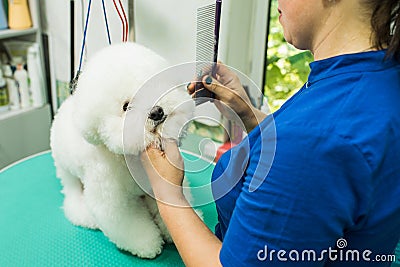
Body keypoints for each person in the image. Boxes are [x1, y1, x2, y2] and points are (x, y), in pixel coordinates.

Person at [141, 0, 400, 266]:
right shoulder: (375, 76)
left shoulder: (317, 137)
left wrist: (167, 193)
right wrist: (247, 113)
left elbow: (308, 151)